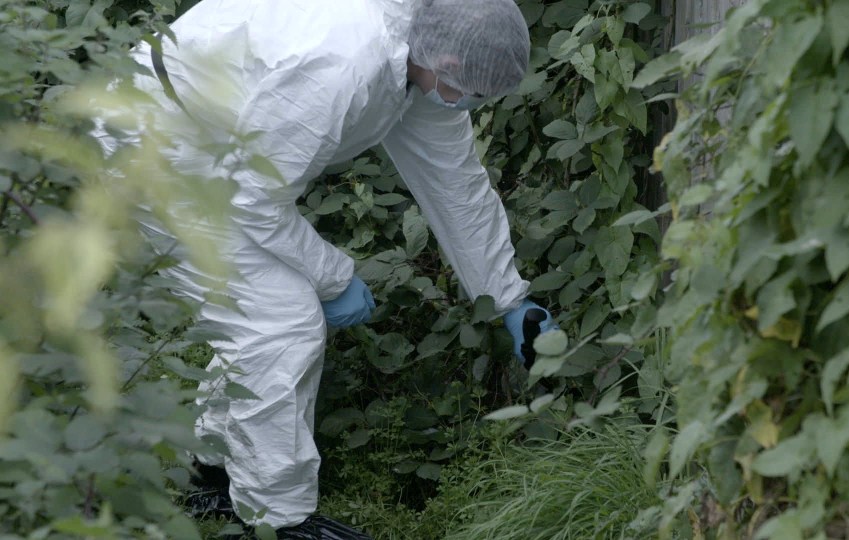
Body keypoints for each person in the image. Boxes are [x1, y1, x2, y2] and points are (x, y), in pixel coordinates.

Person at [106, 0, 559, 536]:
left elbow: (455, 184)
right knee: (280, 323)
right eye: (474, 94)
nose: (470, 106)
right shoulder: (343, 65)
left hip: (219, 152)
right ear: (449, 65)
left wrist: (508, 297)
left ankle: (214, 474)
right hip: (159, 147)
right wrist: (333, 276)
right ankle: (278, 521)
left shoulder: (423, 57)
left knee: (270, 316)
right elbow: (254, 195)